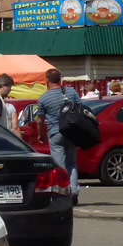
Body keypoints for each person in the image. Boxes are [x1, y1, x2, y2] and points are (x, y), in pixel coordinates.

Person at [36, 68, 81, 203]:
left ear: (47, 80)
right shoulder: (71, 92)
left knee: (59, 165)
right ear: (60, 79)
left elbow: (40, 120)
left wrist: (41, 135)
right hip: (72, 132)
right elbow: (81, 109)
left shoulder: (44, 98)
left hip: (56, 132)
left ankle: (63, 192)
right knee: (72, 163)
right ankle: (73, 191)